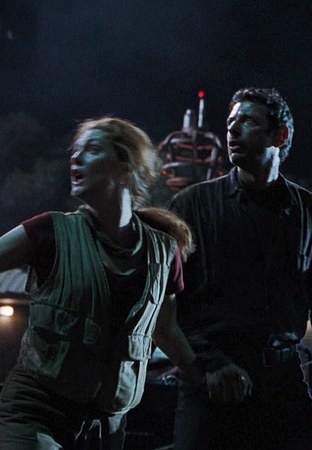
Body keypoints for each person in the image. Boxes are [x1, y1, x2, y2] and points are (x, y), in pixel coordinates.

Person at [168, 87, 312, 449]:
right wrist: (209, 364)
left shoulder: (311, 214)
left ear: (280, 135)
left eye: (247, 121)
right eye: (230, 122)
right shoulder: (192, 207)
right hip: (212, 383)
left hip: (281, 381)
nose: (232, 129)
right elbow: (170, 306)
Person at [0, 117, 203, 449]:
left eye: (92, 149)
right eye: (75, 151)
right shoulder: (50, 232)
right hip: (35, 414)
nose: (76, 158)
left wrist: (202, 378)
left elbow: (165, 330)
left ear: (126, 166)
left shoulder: (163, 252)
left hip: (106, 429)